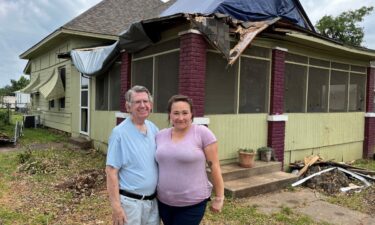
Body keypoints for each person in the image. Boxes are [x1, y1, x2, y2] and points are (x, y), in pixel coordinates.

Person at [155, 94, 225, 225]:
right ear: (169, 114)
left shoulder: (202, 133)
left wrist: (220, 197)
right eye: (176, 113)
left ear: (192, 114)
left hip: (192, 204)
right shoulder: (160, 135)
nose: (180, 118)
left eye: (185, 113)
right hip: (164, 202)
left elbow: (214, 165)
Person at [106, 85, 159, 225]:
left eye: (146, 101)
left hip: (153, 203)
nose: (143, 105)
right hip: (130, 204)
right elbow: (111, 172)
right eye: (137, 102)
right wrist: (117, 208)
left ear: (151, 105)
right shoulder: (119, 133)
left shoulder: (153, 128)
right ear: (128, 107)